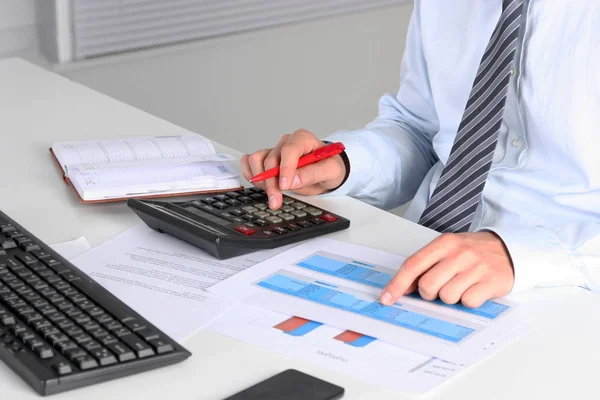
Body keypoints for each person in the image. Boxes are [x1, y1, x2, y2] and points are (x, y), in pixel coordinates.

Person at [241, 0, 600, 308]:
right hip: (416, 263)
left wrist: (524, 255)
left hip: (570, 292)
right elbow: (421, 128)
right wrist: (344, 164)